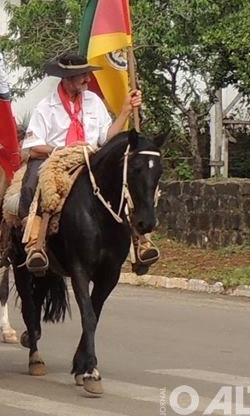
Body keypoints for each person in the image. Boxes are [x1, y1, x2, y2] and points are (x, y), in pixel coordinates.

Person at [18, 51, 151, 275]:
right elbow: (33, 147)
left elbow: (105, 138)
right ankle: (34, 243)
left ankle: (141, 242)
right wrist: (64, 151)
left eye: (87, 74)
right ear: (67, 78)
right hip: (56, 159)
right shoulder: (45, 106)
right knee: (32, 183)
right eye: (83, 75)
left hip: (92, 158)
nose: (88, 79)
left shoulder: (94, 102)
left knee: (128, 182)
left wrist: (126, 111)